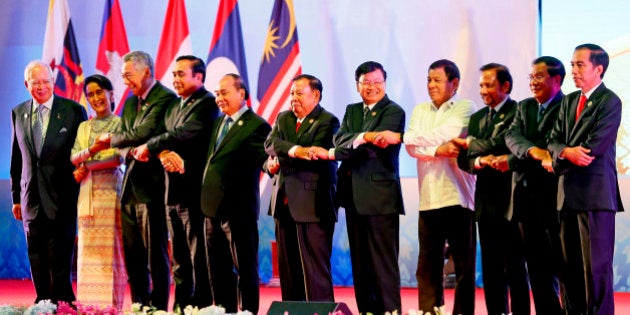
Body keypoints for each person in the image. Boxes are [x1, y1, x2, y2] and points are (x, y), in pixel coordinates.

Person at [373, 59, 477, 314]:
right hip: (429, 197)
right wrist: (438, 150)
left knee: (463, 265)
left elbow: (447, 133)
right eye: (429, 80)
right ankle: (430, 311)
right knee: (427, 264)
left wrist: (415, 142)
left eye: (437, 80)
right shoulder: (420, 110)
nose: (431, 85)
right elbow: (412, 148)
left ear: (454, 83)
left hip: (458, 196)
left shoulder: (466, 107)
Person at [312, 61, 405, 314]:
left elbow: (368, 152)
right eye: (367, 83)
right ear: (358, 85)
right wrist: (363, 137)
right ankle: (367, 311)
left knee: (383, 264)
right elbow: (339, 140)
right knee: (361, 265)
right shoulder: (352, 110)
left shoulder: (394, 111)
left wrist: (352, 145)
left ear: (385, 83)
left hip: (380, 198)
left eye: (378, 83)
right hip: (352, 196)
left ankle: (390, 311)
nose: (372, 87)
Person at [132, 55, 218, 310]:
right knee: (179, 257)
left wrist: (153, 146)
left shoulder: (207, 103)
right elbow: (161, 134)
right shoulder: (173, 105)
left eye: (182, 74)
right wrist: (163, 152)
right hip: (171, 192)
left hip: (194, 190)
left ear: (199, 77)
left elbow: (184, 134)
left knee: (197, 255)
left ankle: (201, 305)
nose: (175, 79)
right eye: (174, 74)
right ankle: (181, 305)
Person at [95, 50, 176, 310]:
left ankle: (160, 307)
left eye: (129, 75)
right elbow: (125, 138)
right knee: (134, 257)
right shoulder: (130, 102)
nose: (125, 81)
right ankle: (139, 306)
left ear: (147, 72)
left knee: (156, 255)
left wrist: (111, 140)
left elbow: (144, 131)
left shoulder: (166, 98)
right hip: (129, 187)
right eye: (123, 76)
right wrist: (125, 146)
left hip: (154, 188)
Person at [546, 43, 623, 315]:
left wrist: (564, 153)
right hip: (566, 194)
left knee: (596, 269)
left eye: (580, 65)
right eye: (572, 64)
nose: (574, 70)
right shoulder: (568, 101)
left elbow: (594, 147)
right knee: (568, 267)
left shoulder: (610, 101)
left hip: (595, 196)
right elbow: (553, 140)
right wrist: (565, 151)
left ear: (598, 68)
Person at [453, 63, 530, 315]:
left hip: (512, 201)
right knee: (491, 267)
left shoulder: (518, 111)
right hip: (485, 202)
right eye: (481, 85)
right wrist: (478, 159)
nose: (483, 90)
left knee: (515, 266)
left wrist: (473, 144)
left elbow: (507, 145)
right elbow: (463, 158)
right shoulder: (476, 118)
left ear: (505, 86)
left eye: (489, 85)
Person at [10, 60, 87, 304]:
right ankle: (42, 301)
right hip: (30, 196)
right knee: (36, 252)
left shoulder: (73, 110)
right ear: (26, 85)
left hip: (62, 195)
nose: (41, 87)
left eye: (46, 81)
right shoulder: (18, 112)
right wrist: (15, 198)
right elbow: (16, 159)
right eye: (35, 83)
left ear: (53, 82)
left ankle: (64, 301)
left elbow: (82, 153)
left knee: (62, 251)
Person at [264, 74, 340, 302]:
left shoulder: (328, 121)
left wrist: (284, 154)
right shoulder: (284, 117)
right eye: (291, 93)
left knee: (314, 269)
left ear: (315, 95)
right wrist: (296, 150)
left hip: (313, 204)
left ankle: (319, 310)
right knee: (288, 269)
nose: (293, 98)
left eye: (299, 93)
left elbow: (315, 155)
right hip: (283, 202)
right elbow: (270, 144)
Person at [200, 73, 271, 313]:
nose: (219, 98)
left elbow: (264, 159)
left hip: (238, 210)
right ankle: (223, 310)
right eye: (217, 93)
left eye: (224, 93)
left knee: (245, 269)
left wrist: (272, 165)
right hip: (211, 208)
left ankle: (248, 311)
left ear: (242, 93)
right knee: (217, 269)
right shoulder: (219, 122)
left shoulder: (257, 125)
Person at [505, 56, 566, 314]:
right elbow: (512, 136)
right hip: (526, 197)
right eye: (531, 77)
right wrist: (532, 151)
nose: (533, 82)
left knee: (561, 265)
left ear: (557, 79)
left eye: (539, 77)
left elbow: (554, 141)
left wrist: (535, 150)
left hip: (556, 197)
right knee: (536, 266)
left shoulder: (568, 105)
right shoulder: (524, 106)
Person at [70, 74, 126, 310]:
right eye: (90, 94)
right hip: (88, 198)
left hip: (112, 196)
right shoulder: (85, 126)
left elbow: (116, 158)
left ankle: (112, 309)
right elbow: (73, 156)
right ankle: (89, 309)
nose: (95, 98)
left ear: (111, 94)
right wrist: (93, 150)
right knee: (87, 258)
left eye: (99, 92)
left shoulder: (121, 124)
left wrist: (86, 163)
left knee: (113, 257)